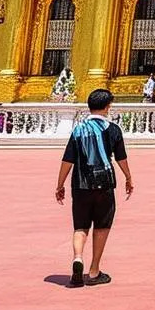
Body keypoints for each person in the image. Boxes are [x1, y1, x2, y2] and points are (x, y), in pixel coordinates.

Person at [55, 88, 133, 287]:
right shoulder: (113, 129)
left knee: (80, 227)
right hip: (104, 184)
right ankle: (94, 270)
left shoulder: (79, 129)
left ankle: (78, 257)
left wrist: (60, 184)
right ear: (108, 107)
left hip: (80, 184)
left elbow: (68, 159)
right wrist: (128, 177)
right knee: (102, 226)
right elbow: (121, 158)